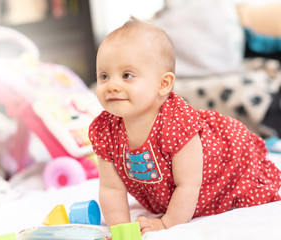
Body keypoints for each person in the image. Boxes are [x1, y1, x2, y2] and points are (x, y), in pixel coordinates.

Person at [88, 17, 281, 236]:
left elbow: (188, 185)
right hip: (172, 194)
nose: (111, 85)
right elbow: (111, 189)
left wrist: (166, 223)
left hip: (226, 167)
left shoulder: (176, 124)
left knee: (248, 193)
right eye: (104, 76)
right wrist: (121, 231)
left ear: (163, 84)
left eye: (127, 75)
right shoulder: (105, 131)